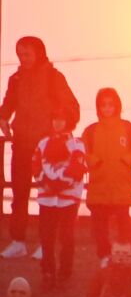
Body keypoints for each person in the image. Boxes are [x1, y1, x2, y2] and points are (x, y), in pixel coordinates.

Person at [1, 37, 80, 260]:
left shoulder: (54, 78)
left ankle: (47, 243)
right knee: (19, 192)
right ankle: (18, 241)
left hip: (48, 148)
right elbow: (8, 104)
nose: (22, 59)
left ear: (39, 53)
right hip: (21, 143)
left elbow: (72, 108)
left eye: (27, 54)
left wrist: (59, 130)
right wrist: (3, 117)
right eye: (19, 54)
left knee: (50, 195)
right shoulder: (15, 79)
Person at [81, 88, 131, 263]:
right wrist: (92, 161)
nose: (107, 108)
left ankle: (130, 254)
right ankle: (104, 257)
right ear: (98, 107)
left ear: (117, 106)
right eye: (103, 105)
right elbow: (81, 152)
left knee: (125, 225)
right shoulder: (91, 131)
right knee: (100, 229)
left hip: (120, 187)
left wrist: (127, 159)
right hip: (98, 187)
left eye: (111, 104)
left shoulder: (128, 128)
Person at [32, 107, 86, 287]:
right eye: (54, 118)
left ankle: (65, 273)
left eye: (62, 119)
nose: (58, 123)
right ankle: (48, 272)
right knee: (46, 237)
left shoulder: (77, 144)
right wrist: (45, 183)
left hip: (68, 198)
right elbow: (36, 166)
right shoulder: (42, 142)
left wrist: (59, 184)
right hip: (46, 198)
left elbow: (77, 170)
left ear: (69, 121)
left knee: (66, 237)